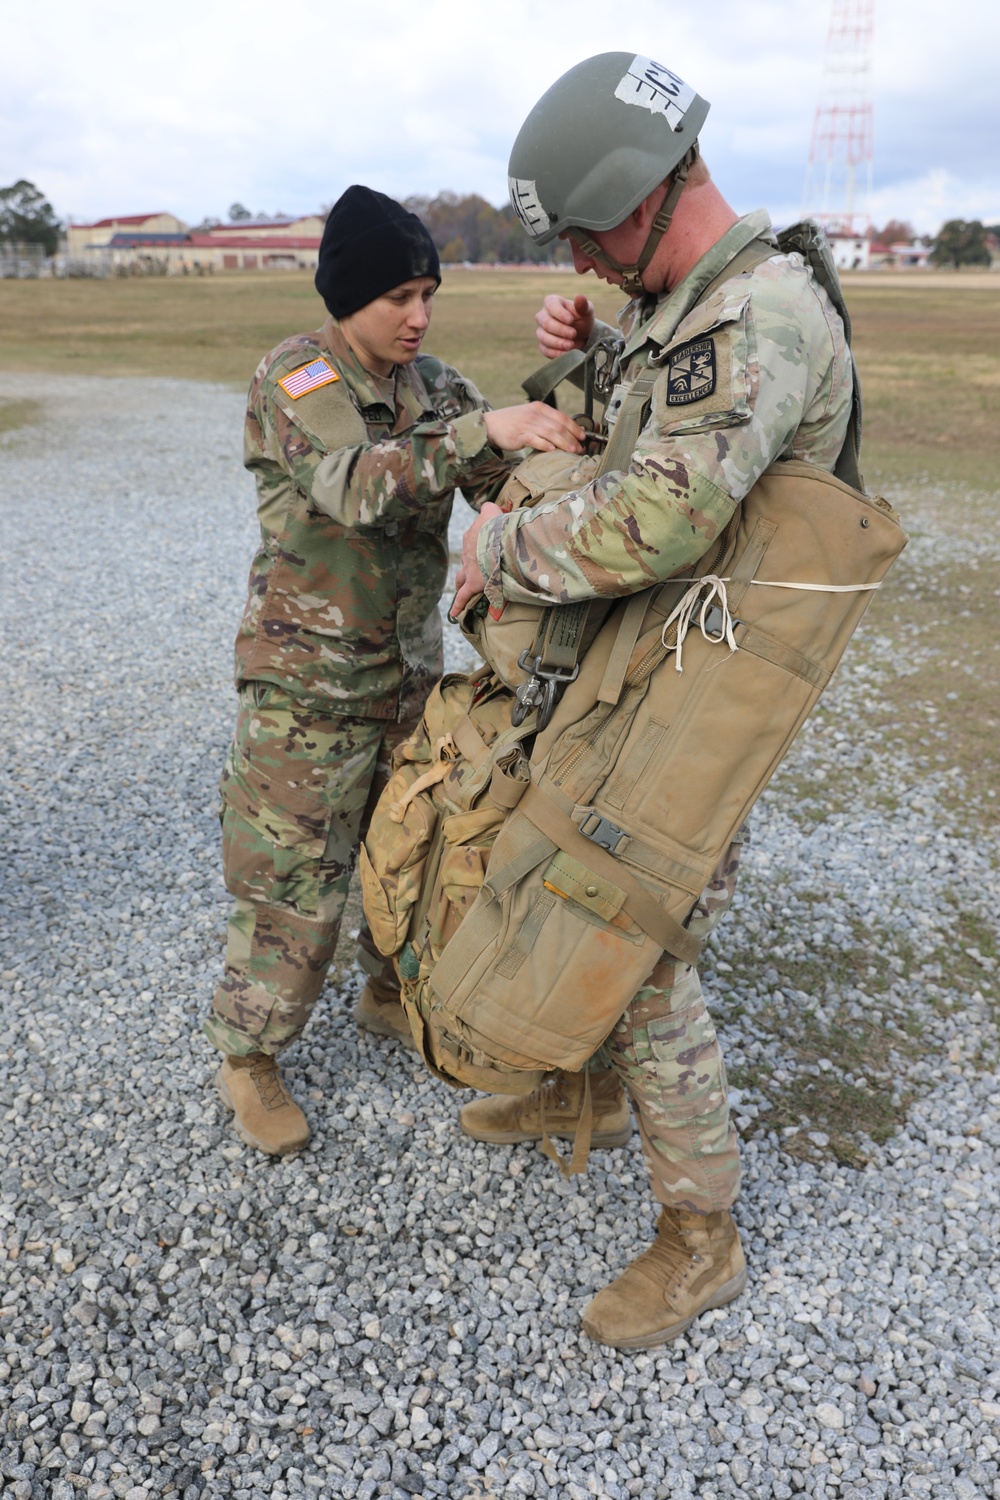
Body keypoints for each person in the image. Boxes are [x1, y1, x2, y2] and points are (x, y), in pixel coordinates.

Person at [452, 53, 854, 1350]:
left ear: (638, 195)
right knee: (570, 874)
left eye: (582, 230)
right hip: (658, 662)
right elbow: (680, 427)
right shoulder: (705, 307)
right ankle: (588, 1094)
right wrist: (610, 349)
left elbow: (664, 513)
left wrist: (496, 552)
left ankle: (701, 1240)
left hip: (706, 681)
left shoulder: (758, 315)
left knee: (644, 940)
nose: (578, 252)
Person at [205, 184, 584, 1156]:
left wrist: (567, 375)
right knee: (295, 872)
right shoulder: (296, 378)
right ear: (348, 296)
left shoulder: (438, 387)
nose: (418, 316)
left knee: (403, 840)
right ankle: (249, 1053)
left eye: (429, 294)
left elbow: (506, 468)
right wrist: (481, 432)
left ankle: (387, 987)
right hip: (305, 687)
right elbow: (352, 485)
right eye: (398, 297)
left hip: (408, 671)